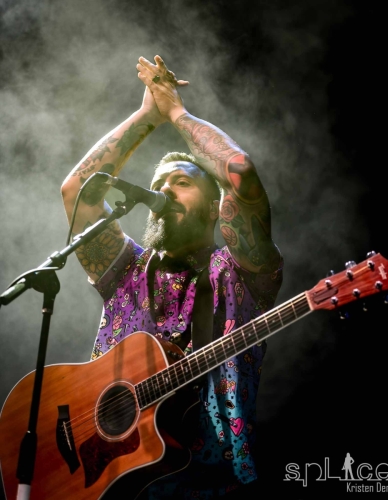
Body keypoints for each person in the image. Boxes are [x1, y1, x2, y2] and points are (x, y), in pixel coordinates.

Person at [61, 55, 283, 499]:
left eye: (181, 182)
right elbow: (77, 193)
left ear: (215, 208)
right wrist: (147, 115)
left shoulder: (237, 273)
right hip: (111, 485)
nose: (163, 188)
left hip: (213, 486)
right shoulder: (126, 271)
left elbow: (240, 174)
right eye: (159, 182)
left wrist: (175, 112)